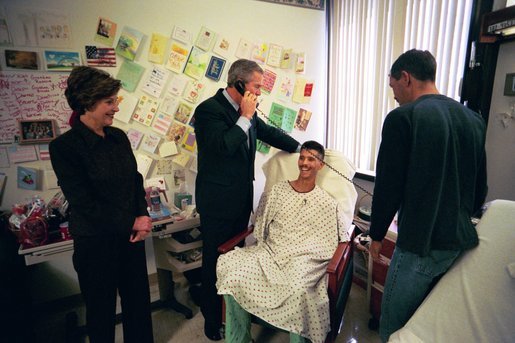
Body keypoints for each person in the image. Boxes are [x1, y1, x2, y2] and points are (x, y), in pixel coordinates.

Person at [368, 49, 487, 342]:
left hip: (419, 245)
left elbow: (388, 185)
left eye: (393, 86)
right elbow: (479, 188)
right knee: (431, 326)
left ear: (405, 78)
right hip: (459, 244)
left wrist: (377, 235)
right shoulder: (472, 119)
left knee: (393, 329)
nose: (394, 95)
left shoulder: (402, 118)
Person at [193, 58, 300, 340]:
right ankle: (212, 319)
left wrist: (302, 148)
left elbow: (270, 133)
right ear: (238, 83)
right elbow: (224, 147)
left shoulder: (249, 113)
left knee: (235, 263)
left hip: (241, 200)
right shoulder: (208, 111)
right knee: (214, 261)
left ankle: (234, 312)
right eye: (256, 86)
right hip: (217, 203)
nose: (260, 93)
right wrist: (244, 116)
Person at [49, 66, 154, 343]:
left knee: (138, 306)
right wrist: (132, 221)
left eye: (115, 100)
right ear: (88, 102)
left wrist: (142, 219)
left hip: (130, 239)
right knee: (101, 311)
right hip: (95, 242)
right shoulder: (64, 147)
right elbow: (83, 202)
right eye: (109, 102)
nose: (116, 108)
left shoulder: (118, 137)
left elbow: (135, 181)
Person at [216, 141, 350, 343]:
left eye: (311, 159)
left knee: (300, 292)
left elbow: (339, 237)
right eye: (302, 157)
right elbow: (260, 224)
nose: (305, 163)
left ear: (321, 165)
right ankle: (239, 339)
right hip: (271, 252)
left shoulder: (327, 202)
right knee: (234, 273)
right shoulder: (278, 191)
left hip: (303, 259)